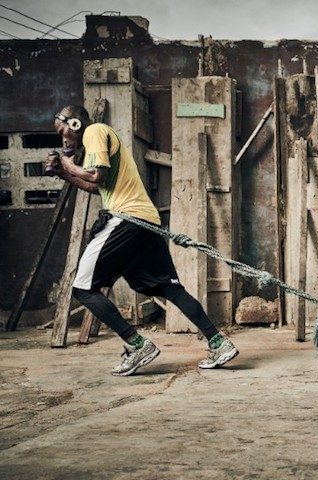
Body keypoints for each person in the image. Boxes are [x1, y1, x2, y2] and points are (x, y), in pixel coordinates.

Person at [48, 105, 238, 376]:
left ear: (75, 123)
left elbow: (95, 175)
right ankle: (219, 342)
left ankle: (138, 345)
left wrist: (68, 163)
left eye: (63, 131)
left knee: (82, 288)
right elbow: (97, 186)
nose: (64, 139)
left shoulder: (94, 132)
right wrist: (64, 173)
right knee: (168, 288)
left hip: (126, 220)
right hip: (146, 221)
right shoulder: (96, 141)